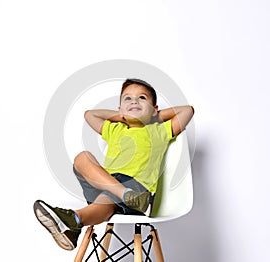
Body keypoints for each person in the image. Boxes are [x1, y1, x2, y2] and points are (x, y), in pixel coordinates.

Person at [33, 78, 194, 251]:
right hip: (108, 184)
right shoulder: (115, 130)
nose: (134, 101)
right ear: (120, 109)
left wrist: (155, 117)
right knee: (82, 157)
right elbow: (89, 114)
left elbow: (187, 111)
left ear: (154, 108)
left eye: (142, 98)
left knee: (106, 201)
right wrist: (122, 117)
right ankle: (86, 217)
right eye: (127, 99)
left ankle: (74, 219)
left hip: (136, 187)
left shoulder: (158, 131)